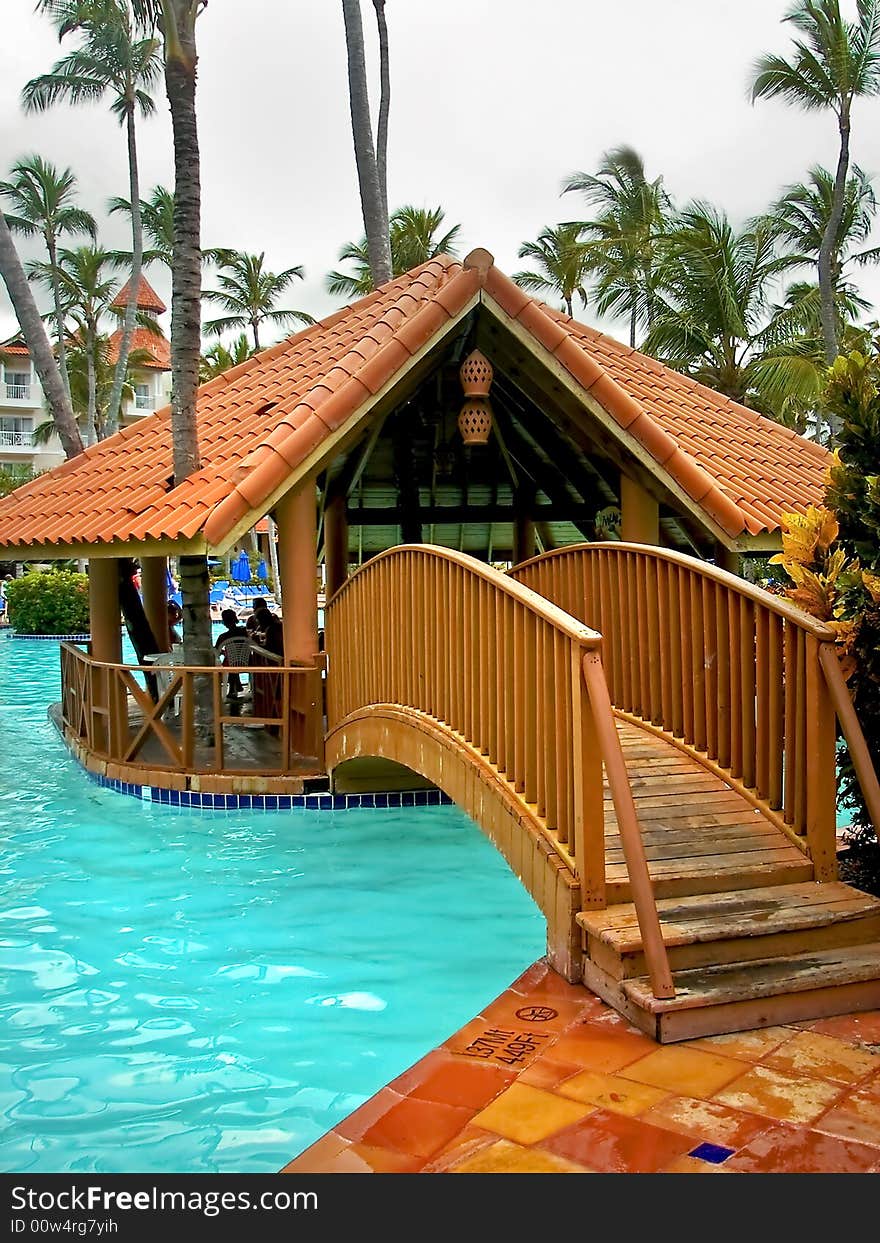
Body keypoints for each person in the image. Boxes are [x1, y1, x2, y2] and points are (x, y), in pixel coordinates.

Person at [214, 608, 249, 697]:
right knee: (234, 659)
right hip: (247, 661)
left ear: (224, 621)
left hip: (231, 663)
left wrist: (223, 652)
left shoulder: (223, 636)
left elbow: (216, 651)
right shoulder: (245, 632)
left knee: (231, 661)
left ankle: (233, 689)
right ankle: (236, 687)